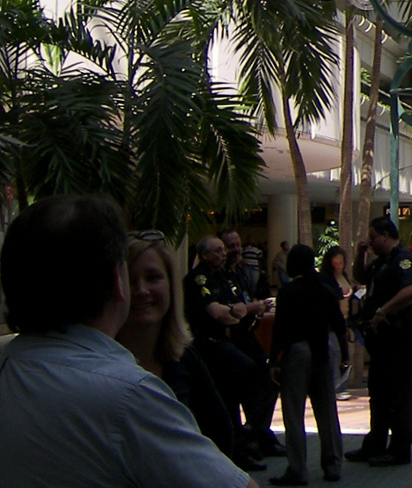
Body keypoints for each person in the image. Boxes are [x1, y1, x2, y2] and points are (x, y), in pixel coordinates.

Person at [0, 195, 253, 488]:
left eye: (153, 278)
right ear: (117, 282)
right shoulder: (130, 397)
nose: (142, 290)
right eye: (130, 274)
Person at [118, 232, 235, 458]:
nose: (141, 290)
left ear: (171, 286)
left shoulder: (185, 357)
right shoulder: (95, 359)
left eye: (152, 278)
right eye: (131, 280)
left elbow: (220, 433)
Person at [187, 233, 279, 469]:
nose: (224, 254)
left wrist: (241, 309)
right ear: (204, 254)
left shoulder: (226, 276)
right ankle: (239, 445)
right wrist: (241, 309)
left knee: (264, 378)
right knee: (240, 381)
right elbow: (221, 314)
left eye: (225, 249)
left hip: (237, 338)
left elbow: (237, 308)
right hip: (211, 343)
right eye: (218, 250)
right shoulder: (199, 279)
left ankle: (251, 435)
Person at [345, 217, 412, 469]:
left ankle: (399, 449)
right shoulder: (380, 262)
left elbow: (411, 289)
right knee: (378, 392)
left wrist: (382, 311)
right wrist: (360, 254)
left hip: (402, 333)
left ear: (386, 235)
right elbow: (360, 277)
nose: (370, 240)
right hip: (382, 338)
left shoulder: (404, 259)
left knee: (400, 393)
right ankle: (375, 444)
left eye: (373, 236)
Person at [269, 245, 345, 485]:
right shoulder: (326, 289)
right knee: (326, 410)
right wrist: (344, 354)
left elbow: (280, 329)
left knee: (293, 412)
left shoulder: (289, 292)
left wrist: (274, 360)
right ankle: (332, 464)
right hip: (322, 349)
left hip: (297, 351)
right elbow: (339, 323)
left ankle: (297, 468)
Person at [319, 246, 355, 399]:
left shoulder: (344, 275)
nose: (339, 266)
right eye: (336, 263)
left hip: (344, 317)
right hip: (331, 320)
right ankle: (334, 387)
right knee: (334, 352)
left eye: (341, 263)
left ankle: (340, 385)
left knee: (341, 353)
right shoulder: (325, 278)